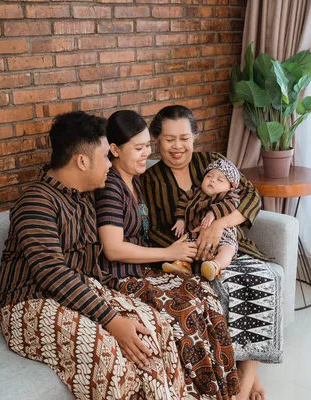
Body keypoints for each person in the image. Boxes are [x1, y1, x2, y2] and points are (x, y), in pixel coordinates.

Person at [0, 111, 185, 399]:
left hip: (78, 291)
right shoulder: (36, 202)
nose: (111, 164)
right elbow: (53, 274)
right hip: (27, 304)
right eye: (107, 157)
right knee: (107, 354)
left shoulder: (84, 197)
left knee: (155, 327)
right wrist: (112, 320)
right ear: (82, 161)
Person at [142, 105, 284, 400]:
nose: (177, 146)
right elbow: (154, 228)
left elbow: (250, 196)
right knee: (215, 291)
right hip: (189, 258)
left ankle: (245, 382)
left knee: (259, 280)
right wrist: (189, 250)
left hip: (230, 248)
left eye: (184, 137)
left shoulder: (214, 162)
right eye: (169, 139)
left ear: (195, 136)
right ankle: (244, 371)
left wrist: (219, 224)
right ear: (157, 140)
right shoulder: (150, 179)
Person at [95, 110, 239, 400]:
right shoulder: (111, 186)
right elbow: (112, 248)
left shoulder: (134, 179)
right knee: (186, 309)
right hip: (120, 276)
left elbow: (242, 194)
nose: (147, 154)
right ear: (114, 149)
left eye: (148, 145)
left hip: (145, 268)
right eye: (140, 148)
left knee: (204, 294)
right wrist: (170, 251)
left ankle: (227, 392)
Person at [165, 158, 242, 281]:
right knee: (186, 246)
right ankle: (183, 264)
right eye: (209, 176)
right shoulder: (192, 193)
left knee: (228, 249)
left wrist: (213, 214)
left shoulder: (229, 195)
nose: (212, 180)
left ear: (231, 187)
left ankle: (215, 265)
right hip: (196, 234)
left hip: (223, 235)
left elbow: (230, 204)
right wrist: (180, 220)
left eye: (220, 180)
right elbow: (182, 203)